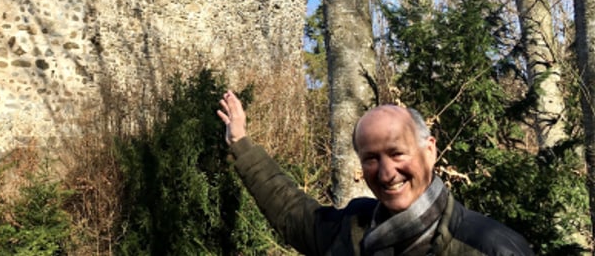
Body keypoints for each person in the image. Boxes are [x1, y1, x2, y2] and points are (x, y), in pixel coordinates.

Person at [216, 91, 534, 255]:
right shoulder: (349, 232)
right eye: (371, 158)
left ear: (430, 150)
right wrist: (241, 143)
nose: (385, 173)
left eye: (397, 153)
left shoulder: (490, 247)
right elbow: (289, 209)